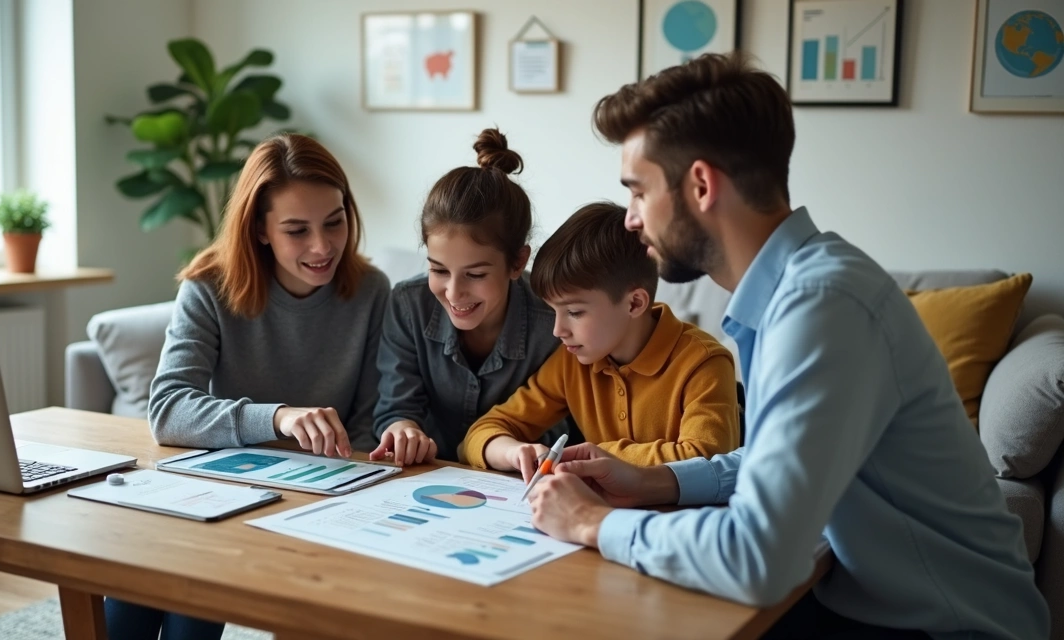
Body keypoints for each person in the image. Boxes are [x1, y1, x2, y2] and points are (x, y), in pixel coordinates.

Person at [526, 52, 1048, 639]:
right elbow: (778, 461)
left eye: (638, 192)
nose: (629, 220)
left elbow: (758, 559)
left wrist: (592, 523)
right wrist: (655, 481)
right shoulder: (792, 290)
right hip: (867, 602)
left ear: (700, 185)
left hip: (942, 626)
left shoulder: (822, 305)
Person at [107, 134, 390, 640]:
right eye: (296, 230)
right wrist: (279, 416)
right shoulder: (209, 287)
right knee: (134, 591)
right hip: (215, 490)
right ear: (260, 229)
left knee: (191, 616)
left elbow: (368, 425)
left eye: (334, 221)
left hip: (314, 499)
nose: (322, 246)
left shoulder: (370, 292)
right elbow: (168, 411)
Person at [461, 201, 738, 476]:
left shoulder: (704, 363)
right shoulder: (572, 362)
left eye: (574, 312)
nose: (558, 330)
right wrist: (512, 451)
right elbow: (476, 436)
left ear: (634, 304)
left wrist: (596, 457)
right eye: (553, 311)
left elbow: (707, 460)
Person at [371, 128, 574, 465]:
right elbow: (396, 407)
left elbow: (560, 427)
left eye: (476, 274)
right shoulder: (408, 304)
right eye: (438, 270)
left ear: (517, 262)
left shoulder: (554, 320)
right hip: (427, 478)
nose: (453, 292)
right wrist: (403, 429)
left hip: (517, 483)